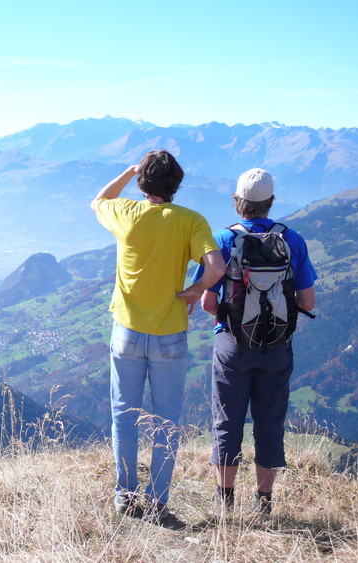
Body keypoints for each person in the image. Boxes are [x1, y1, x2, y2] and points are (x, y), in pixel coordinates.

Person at [91, 150, 225, 522]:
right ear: (177, 184)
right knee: (166, 420)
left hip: (127, 331)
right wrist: (195, 290)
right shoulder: (191, 221)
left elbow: (99, 200)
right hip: (169, 334)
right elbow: (216, 267)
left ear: (142, 183)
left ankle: (125, 495)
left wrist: (130, 171)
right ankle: (157, 502)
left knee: (124, 415)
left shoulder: (126, 213)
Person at [193, 168, 317, 515]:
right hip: (276, 347)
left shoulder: (222, 239)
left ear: (238, 203)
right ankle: (263, 503)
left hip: (232, 344)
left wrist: (232, 320)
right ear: (271, 202)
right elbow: (308, 303)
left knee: (227, 420)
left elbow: (206, 301)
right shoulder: (292, 240)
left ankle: (225, 501)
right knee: (269, 422)